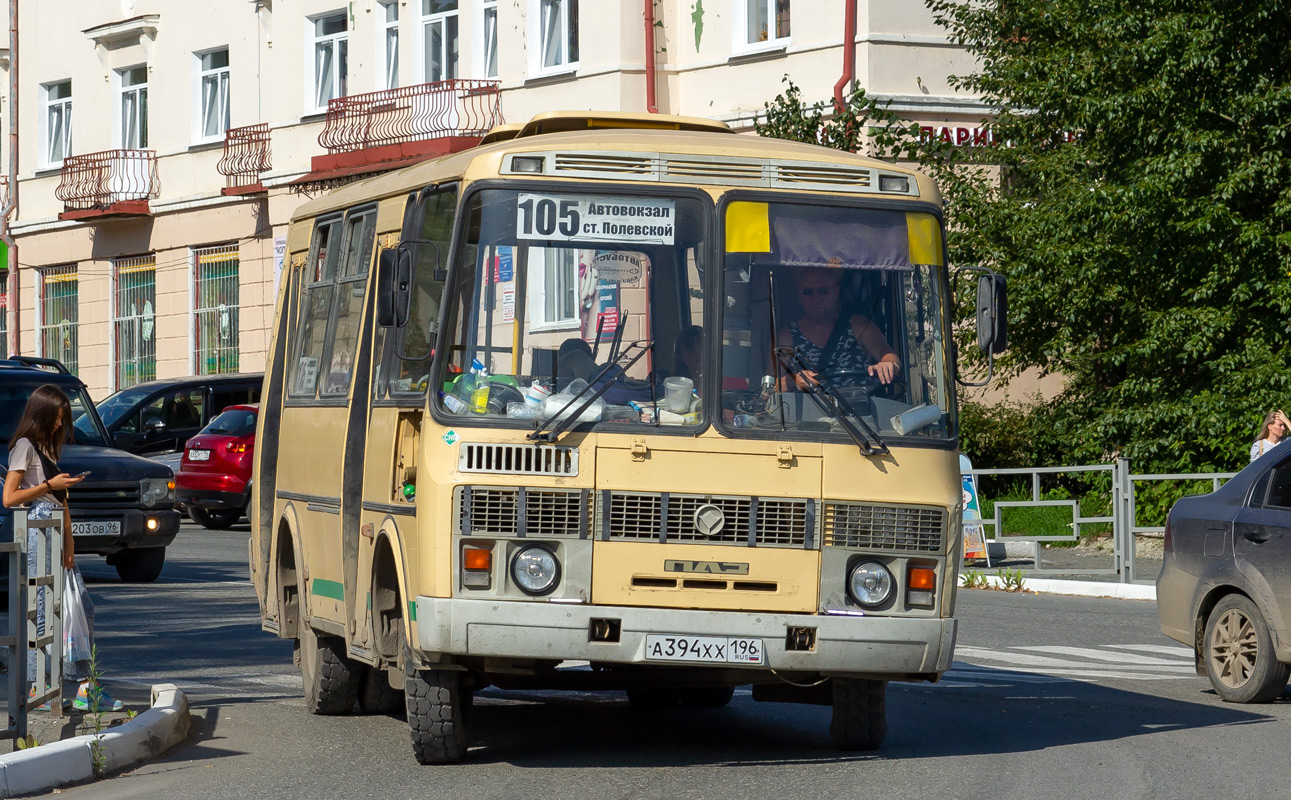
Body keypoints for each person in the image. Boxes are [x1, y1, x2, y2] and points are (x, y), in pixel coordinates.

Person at [2, 385, 123, 713]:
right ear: (40, 414)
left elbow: (61, 502)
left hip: (55, 533)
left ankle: (82, 685)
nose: (60, 425)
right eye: (56, 418)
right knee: (43, 611)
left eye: (63, 418)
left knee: (79, 608)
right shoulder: (24, 448)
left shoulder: (47, 449)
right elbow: (9, 498)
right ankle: (38, 688)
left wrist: (70, 544)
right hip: (39, 534)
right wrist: (47, 486)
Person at [776, 266, 900, 391]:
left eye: (823, 291)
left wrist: (888, 364)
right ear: (799, 295)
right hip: (810, 409)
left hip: (861, 408)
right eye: (808, 291)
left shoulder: (858, 325)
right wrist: (794, 381)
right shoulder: (787, 336)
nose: (815, 298)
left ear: (836, 293)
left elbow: (887, 354)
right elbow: (769, 389)